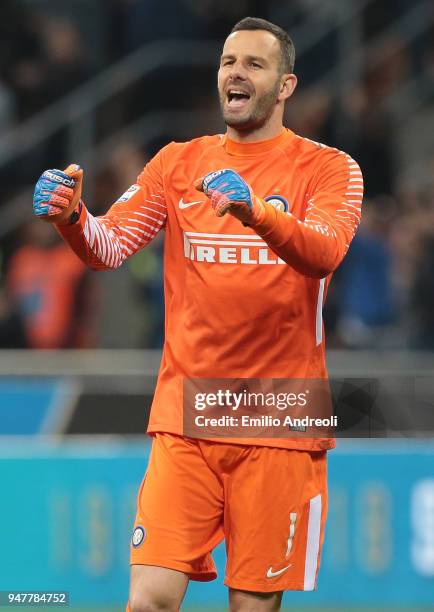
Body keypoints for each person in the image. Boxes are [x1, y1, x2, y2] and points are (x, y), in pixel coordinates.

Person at [32, 17, 363, 612]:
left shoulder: (330, 169)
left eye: (254, 64)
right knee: (148, 601)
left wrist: (256, 212)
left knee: (251, 606)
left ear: (286, 86)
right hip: (187, 413)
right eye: (227, 62)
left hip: (280, 418)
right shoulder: (178, 163)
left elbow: (325, 252)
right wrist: (73, 217)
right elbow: (109, 248)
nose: (235, 72)